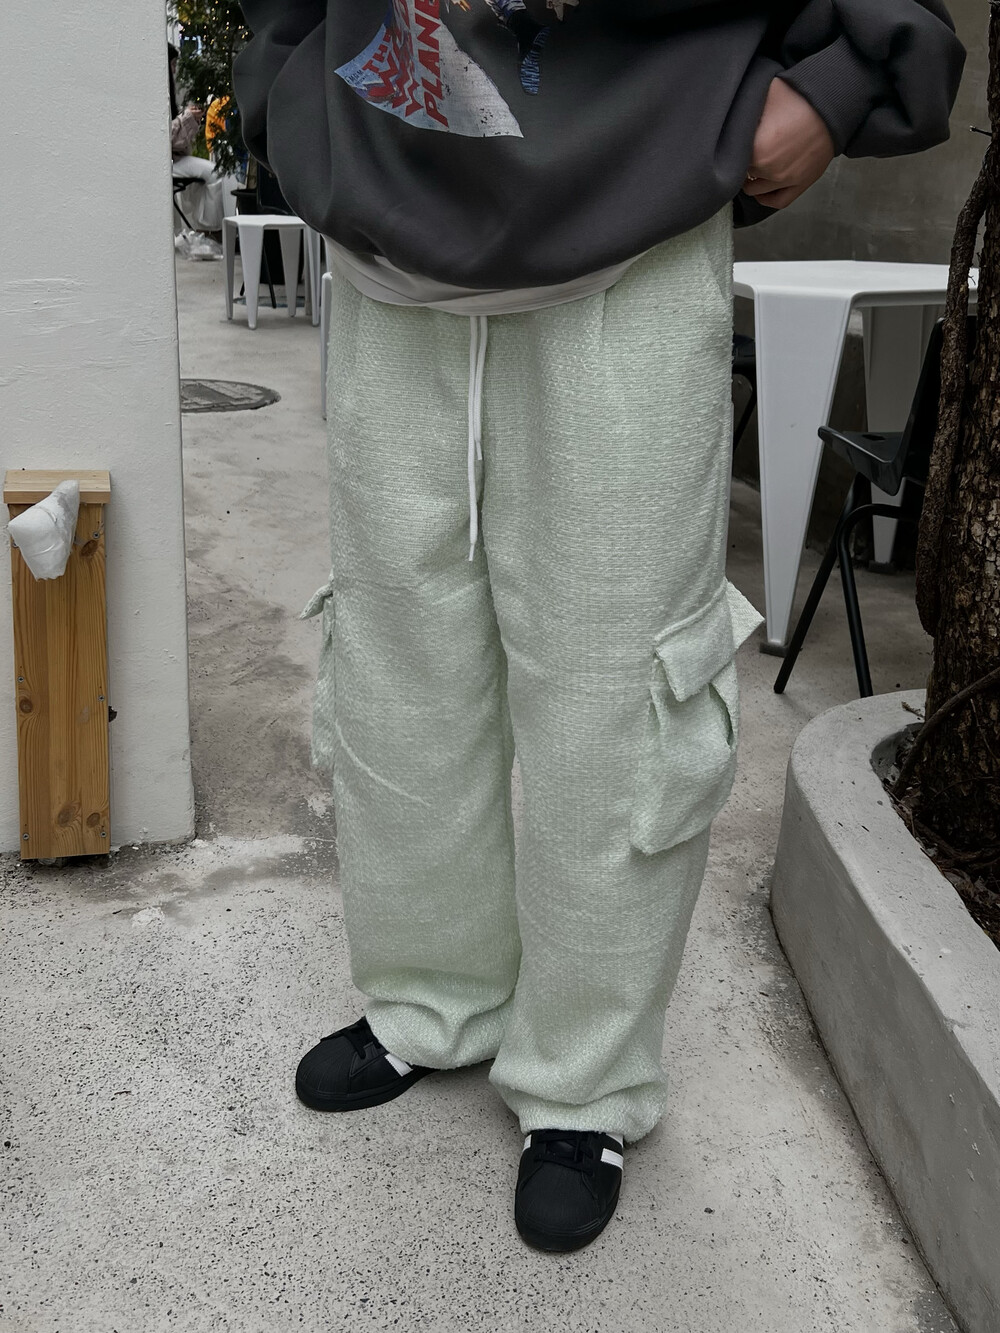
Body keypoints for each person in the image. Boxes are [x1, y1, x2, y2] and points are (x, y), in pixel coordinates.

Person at [233, 0, 964, 1253]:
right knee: (400, 671)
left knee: (616, 687)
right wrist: (281, 93)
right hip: (387, 234)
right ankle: (431, 1002)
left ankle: (583, 1081)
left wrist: (839, 82)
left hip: (635, 218)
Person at [169, 43, 234, 236]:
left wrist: (189, 119)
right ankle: (208, 229)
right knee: (215, 173)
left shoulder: (168, 92)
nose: (175, 70)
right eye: (173, 64)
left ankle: (204, 227)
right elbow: (168, 138)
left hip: (175, 158)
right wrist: (187, 118)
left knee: (213, 173)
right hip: (170, 161)